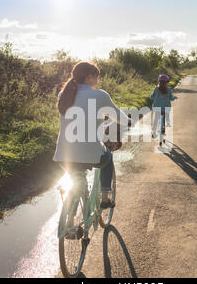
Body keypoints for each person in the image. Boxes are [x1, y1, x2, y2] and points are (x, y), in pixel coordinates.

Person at [53, 62, 131, 209]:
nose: (97, 81)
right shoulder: (100, 95)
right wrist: (128, 120)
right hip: (90, 154)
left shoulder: (63, 94)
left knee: (75, 175)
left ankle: (70, 210)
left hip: (63, 155)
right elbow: (119, 117)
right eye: (96, 77)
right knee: (108, 157)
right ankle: (105, 198)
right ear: (89, 77)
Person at [148, 74, 177, 139]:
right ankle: (163, 129)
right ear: (167, 82)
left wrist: (149, 96)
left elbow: (152, 96)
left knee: (155, 120)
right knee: (164, 118)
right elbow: (171, 98)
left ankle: (154, 133)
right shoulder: (169, 90)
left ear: (159, 82)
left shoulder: (156, 89)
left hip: (156, 108)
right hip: (166, 108)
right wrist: (174, 97)